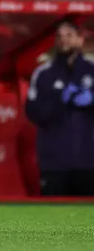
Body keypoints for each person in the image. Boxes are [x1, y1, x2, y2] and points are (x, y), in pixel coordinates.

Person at [26, 21, 94, 196]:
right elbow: (33, 113)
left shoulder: (92, 71)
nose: (64, 40)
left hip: (89, 163)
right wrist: (59, 100)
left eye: (69, 36)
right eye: (59, 36)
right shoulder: (43, 74)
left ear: (80, 39)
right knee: (54, 219)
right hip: (54, 164)